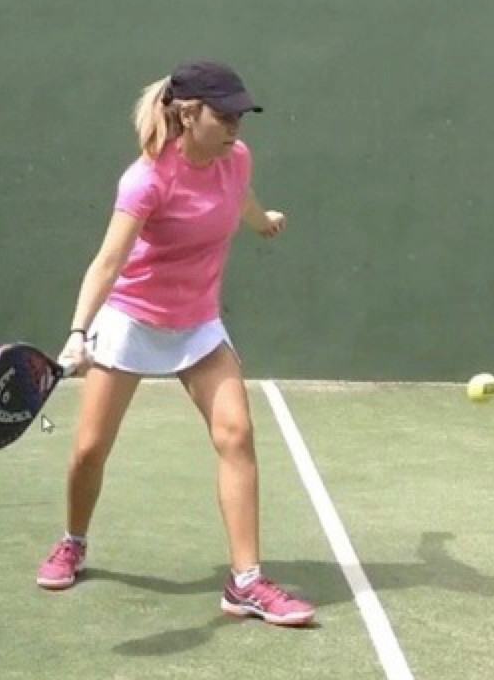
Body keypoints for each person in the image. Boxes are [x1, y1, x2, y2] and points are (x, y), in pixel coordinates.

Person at [35, 59, 315, 627]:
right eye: (225, 115)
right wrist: (78, 333)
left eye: (240, 116)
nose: (235, 125)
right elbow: (108, 262)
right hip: (133, 320)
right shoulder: (147, 179)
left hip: (198, 322)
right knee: (89, 450)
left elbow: (240, 198)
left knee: (237, 434)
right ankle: (72, 541)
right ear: (188, 115)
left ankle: (245, 583)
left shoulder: (236, 159)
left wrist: (263, 222)